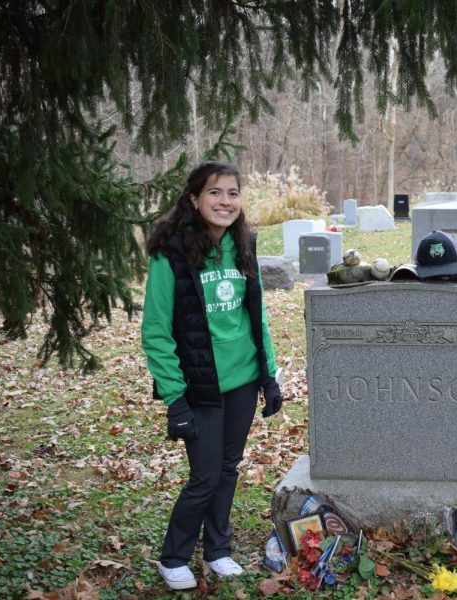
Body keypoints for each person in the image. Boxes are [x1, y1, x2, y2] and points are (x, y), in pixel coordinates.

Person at [141, 161, 284, 591]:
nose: (226, 202)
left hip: (241, 381)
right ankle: (174, 557)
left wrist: (269, 375)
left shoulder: (243, 247)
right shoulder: (172, 253)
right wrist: (175, 399)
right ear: (194, 199)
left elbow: (255, 316)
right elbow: (156, 331)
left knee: (226, 468)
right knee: (203, 477)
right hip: (198, 387)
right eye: (215, 193)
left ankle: (218, 550)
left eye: (233, 193)